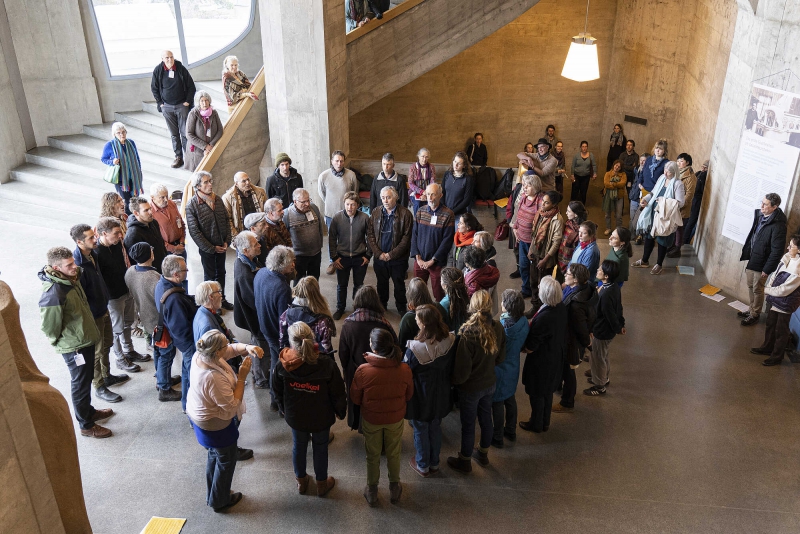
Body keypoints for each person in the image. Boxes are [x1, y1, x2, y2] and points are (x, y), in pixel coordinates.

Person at [186, 330, 263, 512]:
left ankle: (214, 494)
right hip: (215, 424)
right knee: (226, 459)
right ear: (216, 352)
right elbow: (230, 406)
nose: (227, 347)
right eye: (223, 345)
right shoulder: (211, 377)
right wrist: (242, 376)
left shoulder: (202, 354)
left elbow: (229, 350)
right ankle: (220, 501)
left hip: (202, 417)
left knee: (215, 455)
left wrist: (246, 347)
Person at [39, 246, 112, 438]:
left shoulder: (69, 278)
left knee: (86, 379)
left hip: (83, 339)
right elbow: (49, 328)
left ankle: (88, 411)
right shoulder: (53, 293)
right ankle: (86, 425)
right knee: (80, 383)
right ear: (56, 267)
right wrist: (63, 342)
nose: (75, 266)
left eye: (73, 262)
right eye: (69, 264)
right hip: (74, 346)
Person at [273, 322, 346, 496]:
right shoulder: (326, 364)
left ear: (291, 343)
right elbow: (338, 391)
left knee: (298, 446)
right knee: (320, 447)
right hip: (321, 417)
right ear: (312, 339)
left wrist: (284, 410)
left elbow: (276, 390)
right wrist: (340, 411)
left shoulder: (283, 364)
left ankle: (301, 482)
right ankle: (322, 484)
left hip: (296, 417)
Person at [350, 328, 413, 506]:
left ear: (374, 348)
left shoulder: (363, 370)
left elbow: (355, 397)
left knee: (372, 454)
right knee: (394, 452)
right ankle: (394, 487)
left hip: (372, 419)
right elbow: (409, 395)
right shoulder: (404, 369)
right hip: (395, 418)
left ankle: (372, 490)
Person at [71, 224, 132, 405]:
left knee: (107, 344)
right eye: (90, 238)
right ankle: (99, 386)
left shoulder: (93, 255)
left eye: (94, 235)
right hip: (93, 314)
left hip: (103, 307)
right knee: (97, 352)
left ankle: (107, 376)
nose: (95, 239)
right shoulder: (78, 265)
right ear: (79, 242)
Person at [448, 290, 505, 473]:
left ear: (472, 306)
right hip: (490, 383)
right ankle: (482, 453)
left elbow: (461, 371)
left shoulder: (467, 334)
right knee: (486, 419)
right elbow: (500, 357)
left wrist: (455, 383)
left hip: (470, 388)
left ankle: (464, 461)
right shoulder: (498, 328)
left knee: (468, 424)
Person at [405, 305, 457, 477]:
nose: (416, 321)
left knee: (420, 428)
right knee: (435, 425)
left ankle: (422, 465)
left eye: (418, 320)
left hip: (422, 395)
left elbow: (406, 370)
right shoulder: (449, 340)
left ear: (425, 324)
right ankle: (434, 463)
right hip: (441, 393)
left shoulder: (414, 349)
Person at [125, 243, 182, 401]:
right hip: (159, 323)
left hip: (145, 320)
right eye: (151, 250)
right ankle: (164, 389)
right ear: (149, 255)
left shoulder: (130, 272)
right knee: (166, 353)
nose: (153, 251)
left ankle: (161, 378)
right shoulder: (154, 277)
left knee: (157, 350)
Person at [338, 286, 397, 431]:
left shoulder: (348, 324)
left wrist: (347, 370)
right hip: (380, 372)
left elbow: (343, 353)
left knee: (358, 399)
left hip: (355, 370)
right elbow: (395, 347)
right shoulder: (384, 324)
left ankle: (359, 425)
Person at [96, 217, 149, 374]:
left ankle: (129, 351)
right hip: (113, 297)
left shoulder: (117, 244)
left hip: (126, 290)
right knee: (117, 328)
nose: (121, 236)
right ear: (104, 233)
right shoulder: (97, 252)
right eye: (117, 233)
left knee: (128, 323)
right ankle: (120, 359)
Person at [519, 277, 566, 433]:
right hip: (554, 356)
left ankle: (536, 423)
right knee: (547, 392)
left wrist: (522, 348)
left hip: (542, 362)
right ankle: (545, 422)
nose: (538, 287)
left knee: (537, 394)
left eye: (541, 287)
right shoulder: (559, 307)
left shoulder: (545, 318)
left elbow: (531, 347)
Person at [254, 246, 296, 412]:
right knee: (280, 367)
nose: (293, 265)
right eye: (291, 262)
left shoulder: (261, 273)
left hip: (264, 325)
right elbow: (284, 319)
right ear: (282, 265)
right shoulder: (282, 288)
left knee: (274, 364)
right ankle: (277, 400)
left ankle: (274, 398)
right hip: (275, 333)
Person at [185, 171, 234, 310]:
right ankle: (212, 305)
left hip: (222, 245)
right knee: (210, 276)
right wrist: (212, 248)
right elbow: (194, 231)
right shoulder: (192, 205)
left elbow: (226, 219)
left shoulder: (217, 199)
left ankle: (222, 299)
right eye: (206, 182)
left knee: (222, 273)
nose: (210, 184)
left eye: (210, 181)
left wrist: (227, 241)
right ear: (198, 186)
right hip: (208, 249)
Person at [155, 254, 198, 410]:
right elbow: (181, 329)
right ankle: (188, 405)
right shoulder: (175, 299)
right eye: (185, 269)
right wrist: (192, 346)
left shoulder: (161, 284)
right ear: (175, 274)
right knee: (189, 373)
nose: (187, 271)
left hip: (178, 338)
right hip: (187, 344)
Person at [738, 193, 787, 326]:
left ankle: (755, 314)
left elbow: (777, 251)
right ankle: (751, 309)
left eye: (765, 204)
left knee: (757, 289)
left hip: (762, 264)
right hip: (753, 258)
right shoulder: (760, 216)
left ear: (774, 207)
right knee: (750, 286)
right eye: (762, 202)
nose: (762, 206)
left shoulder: (778, 225)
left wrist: (767, 268)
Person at [751, 236, 800, 366]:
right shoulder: (787, 257)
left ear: (799, 250)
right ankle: (767, 347)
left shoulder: (798, 267)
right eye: (789, 245)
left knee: (781, 330)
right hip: (776, 298)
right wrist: (769, 287)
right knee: (771, 323)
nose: (788, 248)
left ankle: (777, 356)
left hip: (786, 302)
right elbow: (775, 274)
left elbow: (785, 289)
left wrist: (766, 290)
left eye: (791, 246)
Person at [632, 161, 685, 275]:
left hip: (664, 217)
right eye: (665, 170)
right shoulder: (661, 178)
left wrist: (663, 202)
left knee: (662, 240)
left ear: (674, 172)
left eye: (669, 172)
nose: (666, 173)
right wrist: (646, 199)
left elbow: (681, 203)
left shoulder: (677, 184)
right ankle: (644, 260)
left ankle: (659, 264)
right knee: (649, 237)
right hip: (653, 212)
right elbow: (653, 192)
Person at [556, 264, 596, 413]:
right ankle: (558, 386)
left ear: (577, 279)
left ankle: (567, 401)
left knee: (568, 371)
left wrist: (587, 342)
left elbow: (580, 327)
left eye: (568, 274)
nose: (565, 275)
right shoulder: (586, 288)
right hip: (569, 338)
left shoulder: (576, 305)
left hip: (571, 341)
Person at [232, 231, 269, 389]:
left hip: (254, 316)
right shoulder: (244, 274)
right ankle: (261, 379)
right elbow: (254, 301)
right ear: (245, 250)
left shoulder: (249, 261)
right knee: (260, 346)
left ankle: (257, 373)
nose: (260, 245)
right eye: (255, 245)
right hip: (254, 317)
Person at [367, 186, 413, 314]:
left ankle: (401, 308)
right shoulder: (375, 212)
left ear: (396, 197)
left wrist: (391, 255)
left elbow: (406, 238)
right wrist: (378, 253)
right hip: (380, 258)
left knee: (399, 285)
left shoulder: (406, 214)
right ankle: (382, 306)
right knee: (381, 284)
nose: (385, 200)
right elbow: (370, 235)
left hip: (398, 259)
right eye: (383, 198)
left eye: (388, 197)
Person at [491, 289, 528, 447]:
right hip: (514, 366)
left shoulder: (504, 328)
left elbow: (496, 350)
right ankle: (511, 430)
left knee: (497, 402)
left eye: (503, 302)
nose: (500, 304)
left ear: (508, 306)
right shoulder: (523, 321)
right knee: (510, 399)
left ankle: (498, 437)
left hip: (500, 369)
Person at [585, 261, 625, 396]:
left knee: (598, 358)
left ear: (606, 276)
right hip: (606, 331)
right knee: (603, 355)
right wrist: (621, 325)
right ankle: (602, 377)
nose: (597, 270)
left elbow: (610, 315)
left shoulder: (606, 294)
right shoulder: (613, 287)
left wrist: (618, 327)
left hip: (602, 331)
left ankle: (600, 386)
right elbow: (619, 308)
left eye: (600, 269)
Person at [150, 50, 195, 168]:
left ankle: (189, 157)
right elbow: (154, 88)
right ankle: (178, 157)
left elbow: (191, 86)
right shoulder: (158, 70)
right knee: (174, 134)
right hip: (167, 107)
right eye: (167, 58)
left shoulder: (180, 68)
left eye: (171, 57)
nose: (170, 60)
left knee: (185, 133)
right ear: (162, 59)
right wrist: (160, 103)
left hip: (181, 106)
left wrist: (187, 102)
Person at [411, 183, 456, 301]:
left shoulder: (448, 214)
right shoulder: (420, 211)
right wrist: (418, 258)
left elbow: (447, 241)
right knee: (418, 291)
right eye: (428, 194)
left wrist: (432, 260)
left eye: (433, 195)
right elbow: (414, 235)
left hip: (436, 263)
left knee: (439, 293)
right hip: (420, 260)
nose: (430, 198)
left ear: (440, 195)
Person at [329, 192, 371, 318]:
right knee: (342, 285)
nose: (349, 208)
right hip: (342, 257)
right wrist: (334, 257)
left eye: (352, 205)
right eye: (347, 204)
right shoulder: (337, 218)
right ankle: (340, 308)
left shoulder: (364, 218)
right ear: (344, 204)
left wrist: (368, 255)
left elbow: (371, 237)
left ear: (357, 205)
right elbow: (331, 239)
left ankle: (357, 307)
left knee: (358, 285)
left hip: (360, 257)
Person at [279, 276, 337, 360]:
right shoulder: (323, 321)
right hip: (315, 361)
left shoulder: (286, 315)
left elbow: (282, 342)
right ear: (317, 293)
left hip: (294, 359)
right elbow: (326, 348)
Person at [525, 190, 564, 308]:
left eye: (546, 203)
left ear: (554, 204)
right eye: (543, 201)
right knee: (533, 281)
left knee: (542, 285)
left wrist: (545, 260)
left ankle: (542, 307)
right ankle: (534, 304)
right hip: (535, 254)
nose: (543, 204)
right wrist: (531, 249)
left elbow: (556, 243)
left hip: (545, 258)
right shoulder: (540, 214)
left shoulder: (557, 219)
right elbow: (535, 234)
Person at [510, 174, 545, 297]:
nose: (524, 187)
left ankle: (536, 291)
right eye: (524, 185)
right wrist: (515, 228)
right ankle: (526, 289)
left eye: (528, 185)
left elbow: (542, 225)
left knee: (534, 269)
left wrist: (534, 243)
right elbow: (518, 213)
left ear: (535, 187)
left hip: (533, 242)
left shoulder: (541, 201)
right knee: (523, 266)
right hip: (522, 239)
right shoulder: (524, 197)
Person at [193, 281, 241, 372]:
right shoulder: (208, 326)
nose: (221, 295)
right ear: (210, 297)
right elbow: (214, 357)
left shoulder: (203, 311)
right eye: (218, 292)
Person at [100, 122, 143, 214]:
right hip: (121, 179)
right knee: (127, 200)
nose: (122, 134)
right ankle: (129, 219)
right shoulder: (110, 145)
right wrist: (112, 162)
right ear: (114, 134)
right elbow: (103, 159)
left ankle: (137, 216)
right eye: (119, 133)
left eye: (123, 132)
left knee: (135, 199)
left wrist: (139, 170)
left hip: (134, 177)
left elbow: (137, 158)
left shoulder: (131, 143)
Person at [283, 188, 324, 283]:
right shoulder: (287, 214)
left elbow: (320, 229)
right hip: (299, 256)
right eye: (303, 202)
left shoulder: (314, 208)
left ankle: (312, 298)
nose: (307, 204)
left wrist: (319, 246)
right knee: (299, 282)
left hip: (316, 254)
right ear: (295, 202)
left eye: (308, 200)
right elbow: (285, 237)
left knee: (314, 280)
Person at [399, 278, 449, 348]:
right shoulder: (438, 307)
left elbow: (403, 344)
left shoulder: (407, 319)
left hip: (418, 352)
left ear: (410, 295)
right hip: (441, 347)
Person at [124, 196, 169, 273]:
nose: (151, 212)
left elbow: (161, 244)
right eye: (146, 210)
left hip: (164, 268)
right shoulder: (133, 235)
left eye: (150, 208)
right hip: (151, 275)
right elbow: (135, 263)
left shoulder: (153, 222)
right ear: (136, 213)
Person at [150, 184, 187, 275]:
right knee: (172, 277)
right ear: (153, 198)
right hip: (166, 251)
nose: (166, 200)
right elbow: (155, 239)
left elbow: (181, 224)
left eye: (167, 196)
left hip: (180, 246)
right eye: (162, 197)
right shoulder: (150, 213)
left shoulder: (172, 204)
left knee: (183, 274)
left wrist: (181, 242)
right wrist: (173, 248)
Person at [666, 153, 697, 258]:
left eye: (681, 161)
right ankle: (673, 246)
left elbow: (689, 194)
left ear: (687, 162)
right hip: (674, 205)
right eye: (678, 161)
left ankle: (677, 248)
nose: (679, 163)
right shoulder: (677, 173)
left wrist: (681, 205)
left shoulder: (690, 176)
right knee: (674, 227)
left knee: (680, 228)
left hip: (682, 207)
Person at [185, 91, 224, 172]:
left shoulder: (214, 113)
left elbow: (220, 130)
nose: (204, 103)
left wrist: (211, 145)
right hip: (197, 151)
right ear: (198, 102)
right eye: (202, 101)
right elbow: (189, 134)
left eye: (206, 100)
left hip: (211, 148)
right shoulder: (193, 113)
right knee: (198, 174)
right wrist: (205, 146)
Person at [319, 150, 358, 228]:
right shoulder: (324, 176)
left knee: (346, 238)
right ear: (332, 161)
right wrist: (331, 202)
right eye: (337, 161)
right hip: (330, 215)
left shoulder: (351, 175)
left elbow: (354, 192)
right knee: (332, 238)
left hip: (347, 213)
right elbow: (322, 193)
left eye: (341, 161)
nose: (339, 164)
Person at [222, 171, 267, 240]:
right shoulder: (227, 198)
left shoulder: (260, 192)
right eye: (243, 181)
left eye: (248, 179)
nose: (247, 183)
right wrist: (236, 237)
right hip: (242, 234)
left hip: (261, 232)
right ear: (236, 184)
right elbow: (228, 220)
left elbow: (266, 211)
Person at [557, 201, 588, 275]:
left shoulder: (581, 231)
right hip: (561, 259)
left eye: (569, 211)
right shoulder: (569, 223)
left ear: (576, 214)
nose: (566, 213)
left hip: (570, 266)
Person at [440, 152, 474, 218]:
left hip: (459, 214)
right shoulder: (447, 174)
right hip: (445, 211)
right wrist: (444, 209)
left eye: (459, 163)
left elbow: (466, 200)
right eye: (455, 161)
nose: (456, 165)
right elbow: (442, 192)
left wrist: (452, 212)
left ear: (464, 166)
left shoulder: (468, 179)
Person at [683, 160, 708, 245]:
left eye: (705, 167)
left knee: (689, 221)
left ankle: (683, 241)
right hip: (697, 200)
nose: (703, 169)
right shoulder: (702, 175)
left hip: (693, 200)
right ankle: (685, 242)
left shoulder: (697, 174)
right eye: (703, 167)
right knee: (691, 222)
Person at [439, 267, 469, 333]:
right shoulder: (464, 295)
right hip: (464, 332)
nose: (440, 282)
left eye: (441, 281)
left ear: (445, 286)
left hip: (451, 336)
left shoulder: (443, 304)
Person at [602, 161, 627, 235]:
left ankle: (618, 229)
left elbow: (622, 184)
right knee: (607, 214)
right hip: (608, 197)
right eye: (616, 165)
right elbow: (606, 184)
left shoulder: (623, 175)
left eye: (619, 167)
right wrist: (616, 185)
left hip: (619, 197)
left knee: (618, 215)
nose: (617, 167)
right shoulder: (608, 174)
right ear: (613, 165)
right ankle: (608, 228)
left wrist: (613, 183)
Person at [408, 148, 436, 214]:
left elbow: (433, 181)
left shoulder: (431, 167)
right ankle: (417, 222)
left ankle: (428, 221)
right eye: (422, 156)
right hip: (415, 191)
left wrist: (427, 192)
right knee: (418, 203)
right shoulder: (413, 167)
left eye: (426, 157)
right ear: (418, 156)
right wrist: (421, 191)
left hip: (428, 191)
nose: (424, 159)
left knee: (431, 203)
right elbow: (410, 183)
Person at [629, 153, 649, 243]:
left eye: (644, 160)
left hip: (643, 199)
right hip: (634, 197)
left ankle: (640, 237)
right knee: (632, 218)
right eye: (641, 160)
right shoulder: (636, 169)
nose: (642, 162)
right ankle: (632, 237)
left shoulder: (650, 172)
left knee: (641, 219)